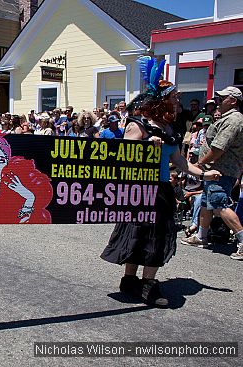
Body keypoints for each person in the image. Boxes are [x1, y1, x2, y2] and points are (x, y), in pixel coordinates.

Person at [101, 57, 221, 307]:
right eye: (174, 97)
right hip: (140, 189)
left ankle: (147, 283)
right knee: (137, 233)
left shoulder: (168, 129)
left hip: (162, 190)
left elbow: (180, 162)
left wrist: (204, 174)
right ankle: (131, 280)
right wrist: (146, 146)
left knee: (156, 236)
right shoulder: (139, 125)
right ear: (160, 101)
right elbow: (121, 156)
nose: (178, 101)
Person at [182, 87, 243, 261]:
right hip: (215, 170)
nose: (218, 101)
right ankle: (201, 236)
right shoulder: (228, 118)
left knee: (219, 204)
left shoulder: (234, 120)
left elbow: (218, 148)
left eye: (223, 98)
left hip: (221, 170)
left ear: (233, 101)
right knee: (207, 204)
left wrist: (199, 163)